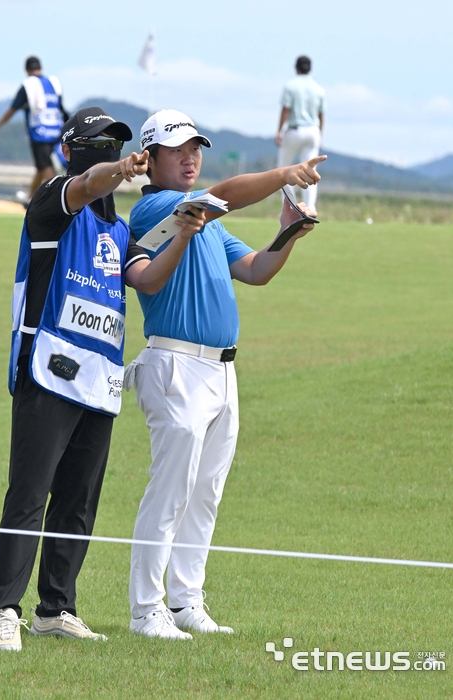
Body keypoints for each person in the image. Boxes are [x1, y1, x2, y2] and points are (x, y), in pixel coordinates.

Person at [0, 106, 206, 652]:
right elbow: (86, 184)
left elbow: (148, 280)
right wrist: (123, 169)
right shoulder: (53, 201)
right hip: (48, 371)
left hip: (100, 382)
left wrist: (182, 234)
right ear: (75, 149)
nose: (111, 151)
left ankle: (55, 608)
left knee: (78, 503)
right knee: (29, 495)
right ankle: (6, 612)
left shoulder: (116, 226)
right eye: (102, 143)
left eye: (119, 143)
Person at [125, 109, 326, 640]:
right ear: (152, 159)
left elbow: (256, 270)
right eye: (178, 150)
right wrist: (284, 175)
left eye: (196, 148)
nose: (191, 157)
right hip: (175, 364)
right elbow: (227, 195)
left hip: (221, 371)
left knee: (206, 492)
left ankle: (187, 601)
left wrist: (286, 235)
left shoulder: (210, 225)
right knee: (171, 491)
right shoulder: (157, 207)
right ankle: (147, 610)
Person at [0, 56, 69, 201]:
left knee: (46, 165)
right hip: (58, 130)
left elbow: (13, 108)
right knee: (41, 167)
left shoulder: (28, 85)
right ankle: (30, 199)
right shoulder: (53, 83)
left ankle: (58, 198)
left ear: (26, 69)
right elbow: (62, 109)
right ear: (41, 68)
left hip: (40, 132)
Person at [275, 55, 326, 211]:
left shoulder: (290, 86)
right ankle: (310, 207)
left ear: (296, 67)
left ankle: (289, 208)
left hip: (294, 130)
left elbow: (286, 109)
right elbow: (321, 115)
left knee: (284, 170)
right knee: (311, 170)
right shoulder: (319, 89)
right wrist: (320, 134)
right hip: (313, 131)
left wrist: (279, 131)